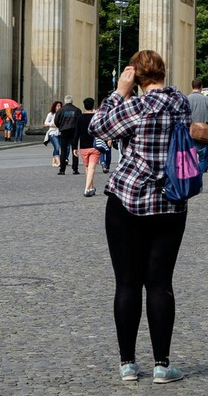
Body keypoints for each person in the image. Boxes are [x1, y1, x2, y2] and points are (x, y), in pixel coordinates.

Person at [85, 50, 193, 385]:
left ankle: (128, 363)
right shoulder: (181, 103)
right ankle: (162, 365)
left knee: (127, 283)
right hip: (170, 202)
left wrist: (120, 91)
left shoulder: (135, 106)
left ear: (137, 76)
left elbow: (97, 127)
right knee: (160, 283)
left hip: (127, 199)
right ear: (163, 72)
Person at [188, 79, 208, 175]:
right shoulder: (207, 100)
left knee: (190, 157)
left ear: (192, 86)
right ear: (201, 87)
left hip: (190, 133)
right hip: (203, 134)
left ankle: (192, 176)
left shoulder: (186, 99)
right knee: (203, 158)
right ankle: (199, 176)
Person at [78, 97, 101, 197]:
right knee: (91, 168)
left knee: (87, 168)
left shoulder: (80, 118)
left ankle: (91, 188)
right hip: (95, 145)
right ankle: (87, 189)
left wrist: (74, 147)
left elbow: (77, 133)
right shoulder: (97, 117)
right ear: (93, 105)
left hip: (83, 146)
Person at [57, 97, 82, 176]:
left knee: (63, 150)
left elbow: (56, 120)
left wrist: (60, 126)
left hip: (64, 130)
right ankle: (75, 169)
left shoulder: (61, 110)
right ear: (72, 101)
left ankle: (62, 169)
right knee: (74, 149)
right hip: (74, 130)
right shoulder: (77, 110)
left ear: (65, 101)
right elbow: (80, 120)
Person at [43, 100, 63, 168]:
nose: (59, 107)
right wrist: (52, 124)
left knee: (56, 147)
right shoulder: (51, 114)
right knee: (57, 146)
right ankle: (59, 162)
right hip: (52, 132)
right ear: (54, 107)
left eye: (60, 106)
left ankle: (54, 161)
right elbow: (46, 123)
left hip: (59, 132)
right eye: (58, 106)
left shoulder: (62, 114)